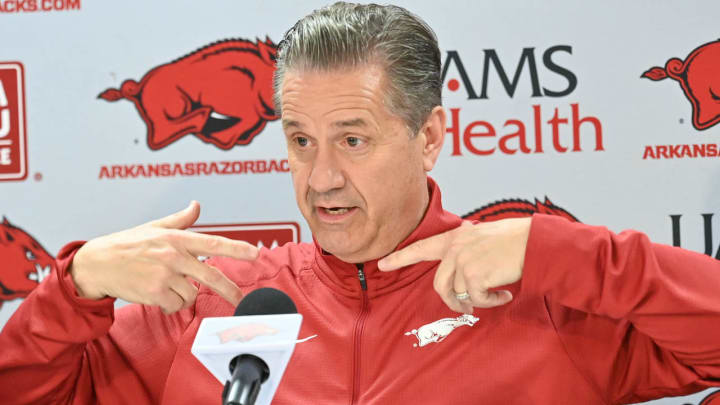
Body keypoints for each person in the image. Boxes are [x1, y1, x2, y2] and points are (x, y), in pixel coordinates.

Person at [1, 2, 719, 404]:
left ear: (429, 134)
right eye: (302, 141)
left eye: (353, 139)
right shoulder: (219, 298)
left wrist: (567, 255)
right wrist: (77, 285)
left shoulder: (544, 297)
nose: (320, 179)